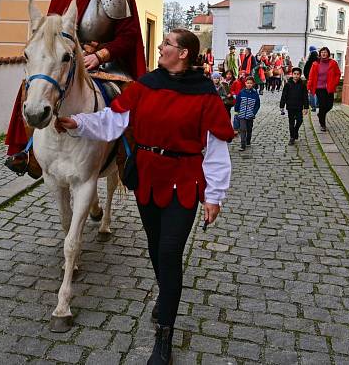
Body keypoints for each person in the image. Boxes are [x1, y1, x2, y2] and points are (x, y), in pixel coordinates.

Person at [55, 29, 233, 365]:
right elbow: (111, 121)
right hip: (148, 178)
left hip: (184, 181)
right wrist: (77, 122)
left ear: (183, 54)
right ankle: (167, 295)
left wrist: (214, 195)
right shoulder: (146, 84)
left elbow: (216, 148)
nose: (161, 47)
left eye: (167, 44)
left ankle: (164, 332)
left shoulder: (206, 94)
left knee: (169, 252)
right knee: (155, 248)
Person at [4, 0, 147, 177]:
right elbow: (49, 35)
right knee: (31, 88)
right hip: (69, 60)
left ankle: (129, 157)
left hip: (109, 65)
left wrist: (101, 54)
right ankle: (25, 152)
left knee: (132, 98)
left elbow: (129, 37)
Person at [307, 47, 341, 132]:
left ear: (328, 53)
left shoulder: (333, 63)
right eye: (322, 52)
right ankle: (322, 124)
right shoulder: (315, 63)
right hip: (319, 88)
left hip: (329, 87)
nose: (323, 54)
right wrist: (309, 86)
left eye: (325, 52)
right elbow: (311, 76)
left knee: (329, 105)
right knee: (322, 105)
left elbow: (338, 74)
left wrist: (335, 83)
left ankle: (320, 114)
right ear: (320, 54)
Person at [279, 67, 309, 145]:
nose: (296, 76)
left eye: (298, 74)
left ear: (300, 75)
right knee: (291, 122)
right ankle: (292, 137)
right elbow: (284, 96)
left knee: (300, 120)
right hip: (290, 106)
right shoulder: (288, 85)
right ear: (292, 75)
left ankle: (296, 131)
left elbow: (305, 97)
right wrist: (281, 106)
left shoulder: (302, 85)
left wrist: (306, 107)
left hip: (299, 106)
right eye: (294, 74)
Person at [234, 76, 260, 150]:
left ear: (253, 84)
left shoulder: (255, 94)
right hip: (241, 114)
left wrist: (253, 113)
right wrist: (236, 110)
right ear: (245, 83)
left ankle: (248, 140)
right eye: (247, 83)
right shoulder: (241, 92)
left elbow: (257, 105)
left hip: (250, 115)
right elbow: (238, 102)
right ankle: (243, 144)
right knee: (243, 129)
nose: (249, 84)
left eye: (250, 83)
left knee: (249, 129)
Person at [303, 47, 319, 112]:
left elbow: (305, 70)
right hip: (318, 79)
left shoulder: (309, 61)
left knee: (312, 93)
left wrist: (308, 78)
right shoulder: (319, 61)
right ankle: (317, 105)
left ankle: (313, 107)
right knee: (318, 92)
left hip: (311, 79)